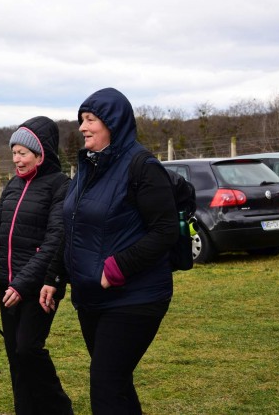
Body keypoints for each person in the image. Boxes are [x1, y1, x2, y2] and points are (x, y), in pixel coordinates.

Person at [40, 87, 179, 414]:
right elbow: (72, 227)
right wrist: (55, 276)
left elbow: (165, 231)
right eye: (81, 120)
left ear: (113, 123)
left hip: (136, 296)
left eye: (91, 120)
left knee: (106, 384)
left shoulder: (142, 166)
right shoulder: (87, 170)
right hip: (93, 298)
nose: (83, 127)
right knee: (115, 383)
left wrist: (119, 266)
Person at [0, 116, 74, 415]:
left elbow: (54, 242)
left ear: (41, 154)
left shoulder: (60, 187)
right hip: (6, 286)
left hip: (39, 288)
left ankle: (60, 407)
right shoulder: (12, 186)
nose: (16, 159)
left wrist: (23, 284)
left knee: (28, 349)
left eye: (23, 153)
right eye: (14, 153)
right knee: (15, 357)